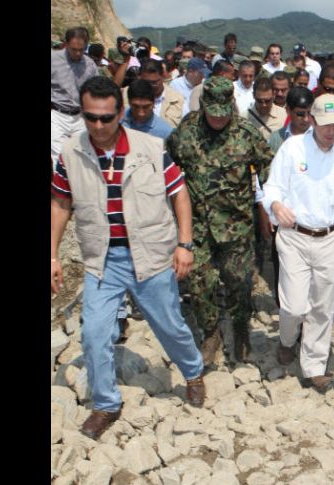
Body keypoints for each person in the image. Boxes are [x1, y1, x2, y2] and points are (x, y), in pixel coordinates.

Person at [51, 76, 205, 440]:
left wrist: (185, 244)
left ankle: (193, 371)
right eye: (91, 117)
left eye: (106, 117)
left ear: (120, 113)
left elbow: (179, 194)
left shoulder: (151, 147)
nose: (99, 126)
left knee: (169, 325)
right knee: (94, 333)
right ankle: (106, 404)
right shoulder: (70, 153)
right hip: (102, 259)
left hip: (151, 255)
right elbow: (60, 204)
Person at [263, 94, 334, 392]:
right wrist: (275, 206)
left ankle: (314, 366)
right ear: (311, 120)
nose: (331, 131)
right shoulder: (292, 148)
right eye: (325, 125)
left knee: (323, 307)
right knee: (294, 306)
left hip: (330, 239)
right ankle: (287, 339)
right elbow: (271, 186)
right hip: (294, 236)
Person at [166, 77, 274, 364]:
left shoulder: (247, 134)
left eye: (223, 112)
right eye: (212, 113)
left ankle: (240, 329)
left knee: (238, 282)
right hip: (198, 225)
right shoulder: (186, 131)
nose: (217, 118)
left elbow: (269, 169)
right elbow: (169, 169)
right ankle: (211, 332)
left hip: (236, 226)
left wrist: (272, 204)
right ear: (203, 106)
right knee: (199, 284)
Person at [51, 26, 99, 166]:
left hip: (81, 117)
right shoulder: (53, 60)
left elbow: (95, 90)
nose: (78, 53)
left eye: (82, 49)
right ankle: (60, 187)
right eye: (74, 49)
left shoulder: (89, 65)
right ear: (66, 45)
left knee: (81, 154)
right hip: (57, 115)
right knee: (58, 156)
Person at [246, 77, 288, 141]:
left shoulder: (284, 115)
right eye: (260, 101)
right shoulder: (243, 117)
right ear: (253, 96)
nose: (264, 105)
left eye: (267, 101)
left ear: (274, 95)